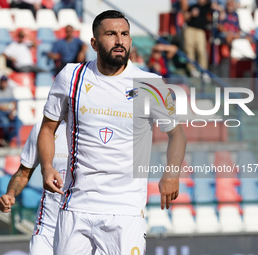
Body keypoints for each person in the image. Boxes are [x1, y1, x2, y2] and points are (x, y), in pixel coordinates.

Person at [38, 10, 187, 255]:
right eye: (111, 34)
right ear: (94, 43)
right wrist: (46, 166)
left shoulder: (150, 84)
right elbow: (47, 128)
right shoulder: (70, 77)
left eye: (124, 34)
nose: (119, 41)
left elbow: (177, 134)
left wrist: (171, 174)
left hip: (126, 209)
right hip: (76, 206)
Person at [0, 121, 68, 255]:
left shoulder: (94, 125)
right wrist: (10, 194)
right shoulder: (42, 128)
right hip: (48, 225)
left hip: (85, 222)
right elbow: (24, 172)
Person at [183, 0, 220, 78]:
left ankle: (204, 71)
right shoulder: (192, 6)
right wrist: (191, 14)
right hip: (190, 29)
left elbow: (218, 10)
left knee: (201, 50)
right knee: (189, 50)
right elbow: (185, 18)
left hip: (200, 30)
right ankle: (192, 70)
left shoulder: (209, 6)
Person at [0, 75, 22, 147]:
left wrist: (12, 112)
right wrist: (1, 107)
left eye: (5, 82)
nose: (4, 83)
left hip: (8, 112)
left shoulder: (9, 90)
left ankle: (7, 139)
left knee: (19, 122)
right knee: (5, 122)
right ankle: (6, 140)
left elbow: (14, 102)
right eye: (2, 82)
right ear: (0, 82)